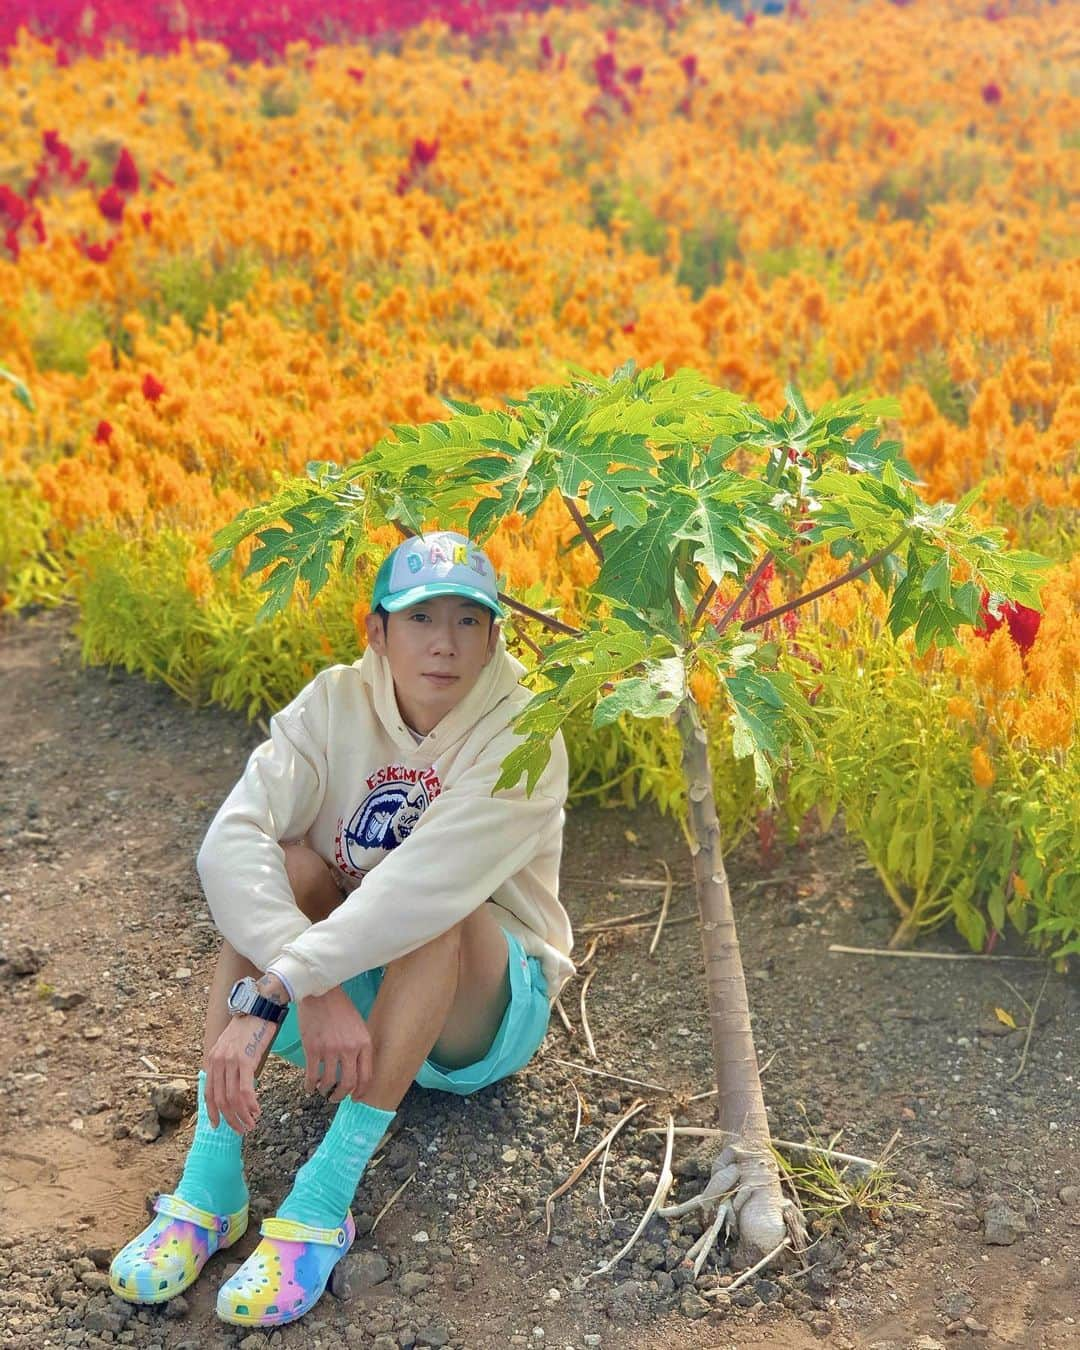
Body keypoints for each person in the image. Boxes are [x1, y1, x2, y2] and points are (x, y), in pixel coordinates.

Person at [109, 530, 575, 1328]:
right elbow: (230, 840)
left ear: (496, 634)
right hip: (350, 995)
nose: (445, 644)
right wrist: (310, 985)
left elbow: (419, 892)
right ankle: (212, 1179)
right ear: (377, 632)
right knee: (280, 869)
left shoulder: (525, 735)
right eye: (422, 618)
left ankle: (324, 1198)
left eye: (470, 621)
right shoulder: (330, 704)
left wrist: (285, 985)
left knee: (441, 909)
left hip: (478, 1015)